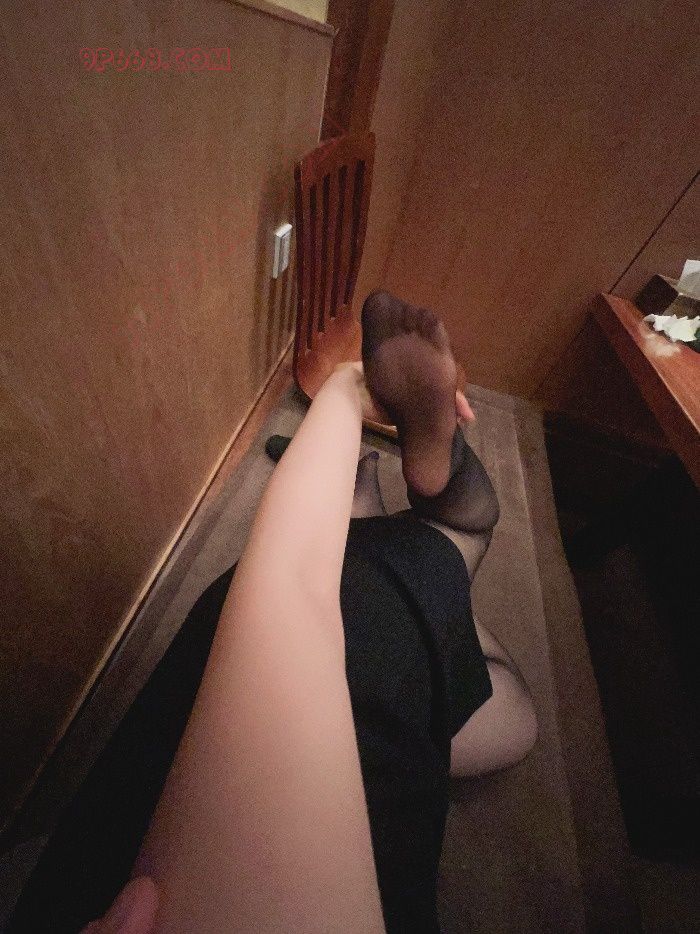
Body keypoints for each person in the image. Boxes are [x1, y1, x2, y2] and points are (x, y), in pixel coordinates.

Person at [82, 291, 537, 933]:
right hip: (268, 672)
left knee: (435, 566)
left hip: (280, 657)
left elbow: (293, 584)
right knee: (516, 713)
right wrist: (349, 387)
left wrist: (346, 390)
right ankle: (385, 530)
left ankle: (377, 530)